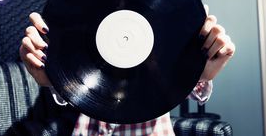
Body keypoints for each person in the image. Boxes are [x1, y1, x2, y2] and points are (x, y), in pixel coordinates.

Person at [19, 7, 235, 135]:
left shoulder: (161, 32)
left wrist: (199, 72)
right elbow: (77, 81)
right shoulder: (85, 33)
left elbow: (175, 80)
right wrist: (55, 75)